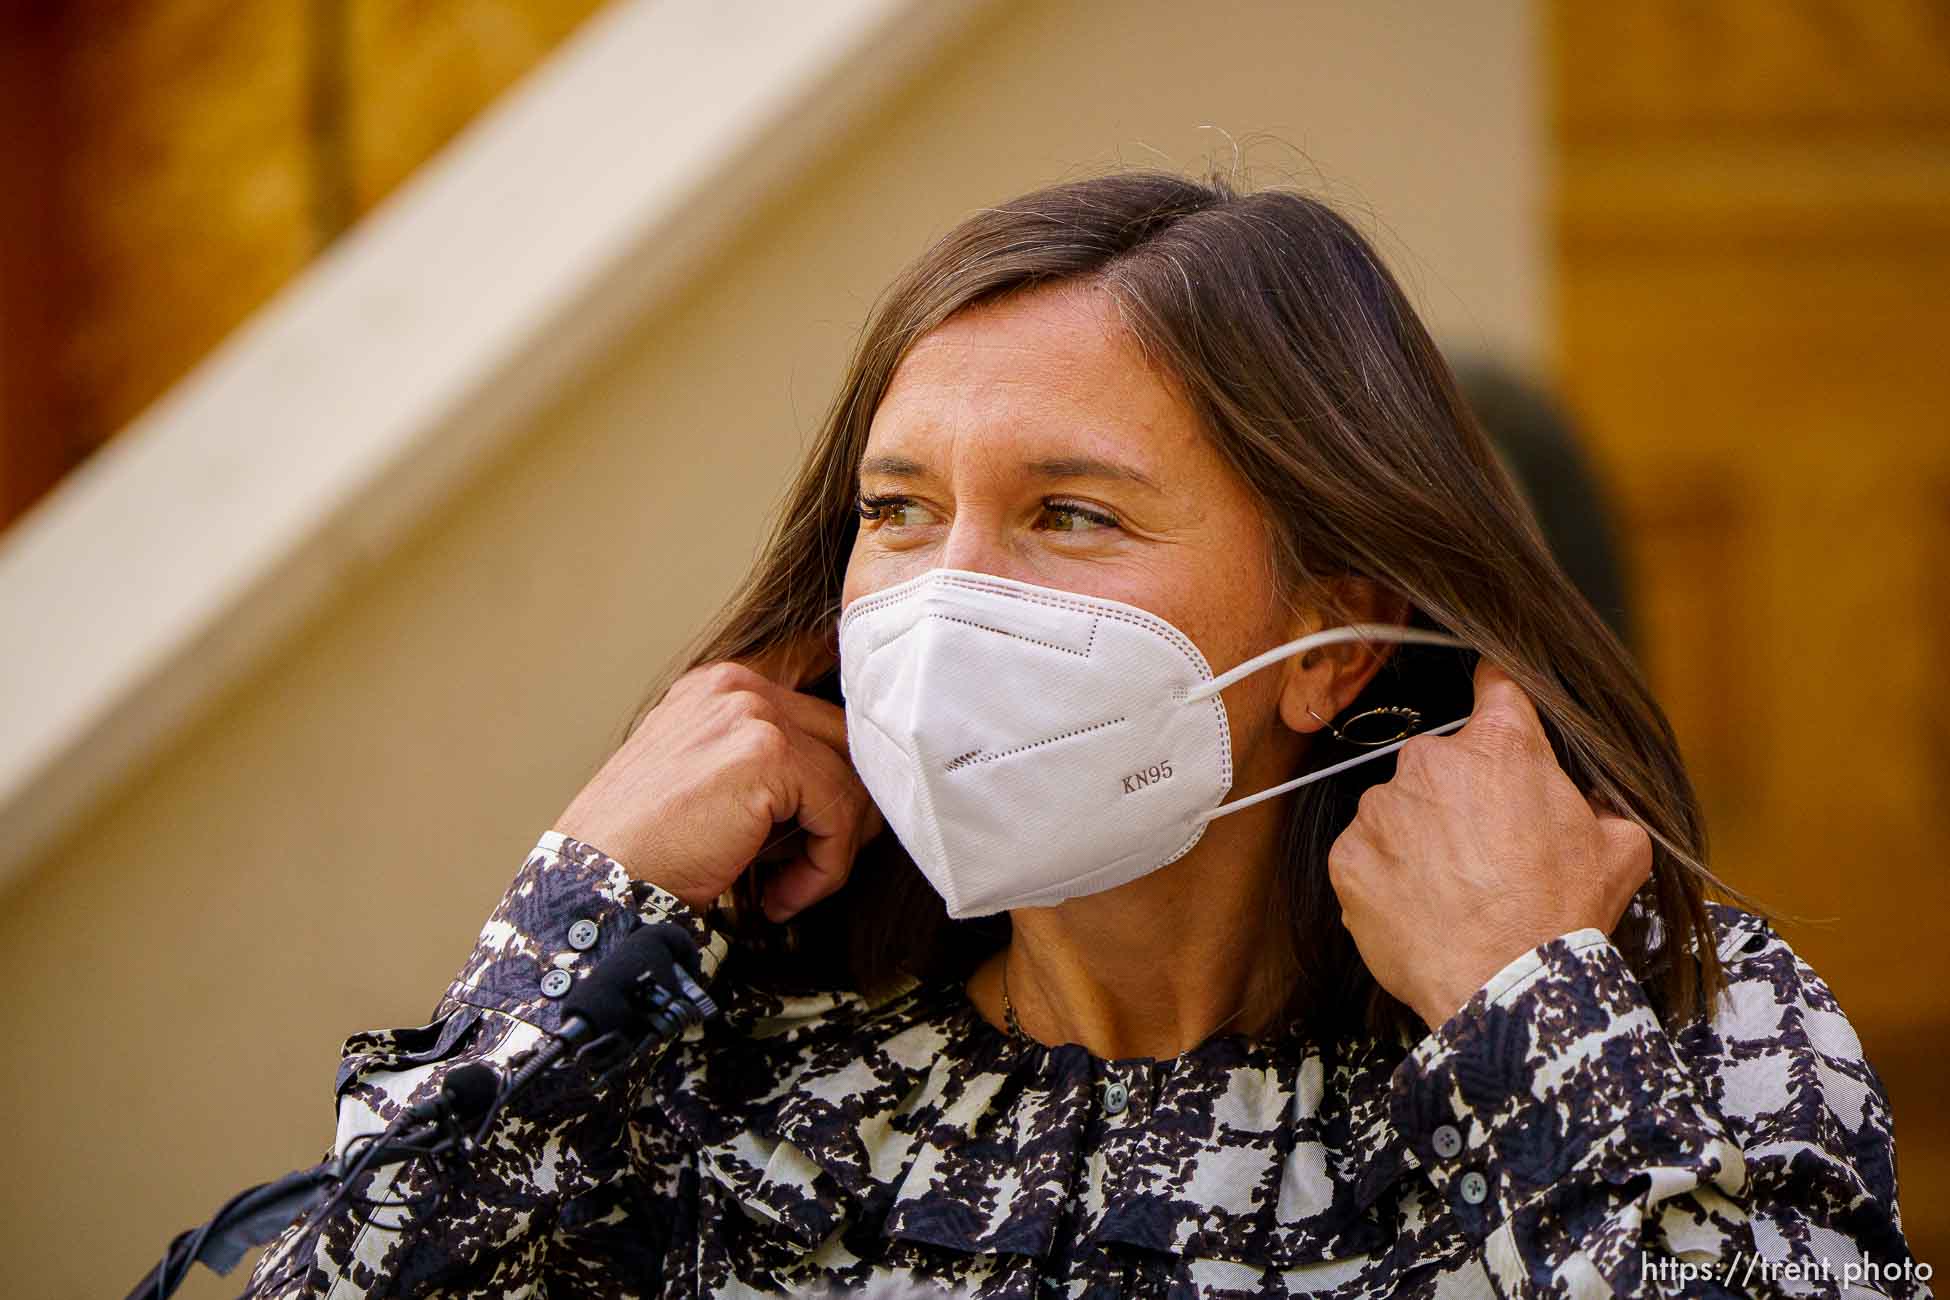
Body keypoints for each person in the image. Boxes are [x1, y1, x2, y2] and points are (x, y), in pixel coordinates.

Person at [242, 171, 1930, 1298]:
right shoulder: (733, 1048)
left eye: (1068, 515)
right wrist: (579, 909)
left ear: (1323, 643)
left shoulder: (1669, 1019)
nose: (941, 608)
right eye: (897, 513)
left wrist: (1533, 1028)